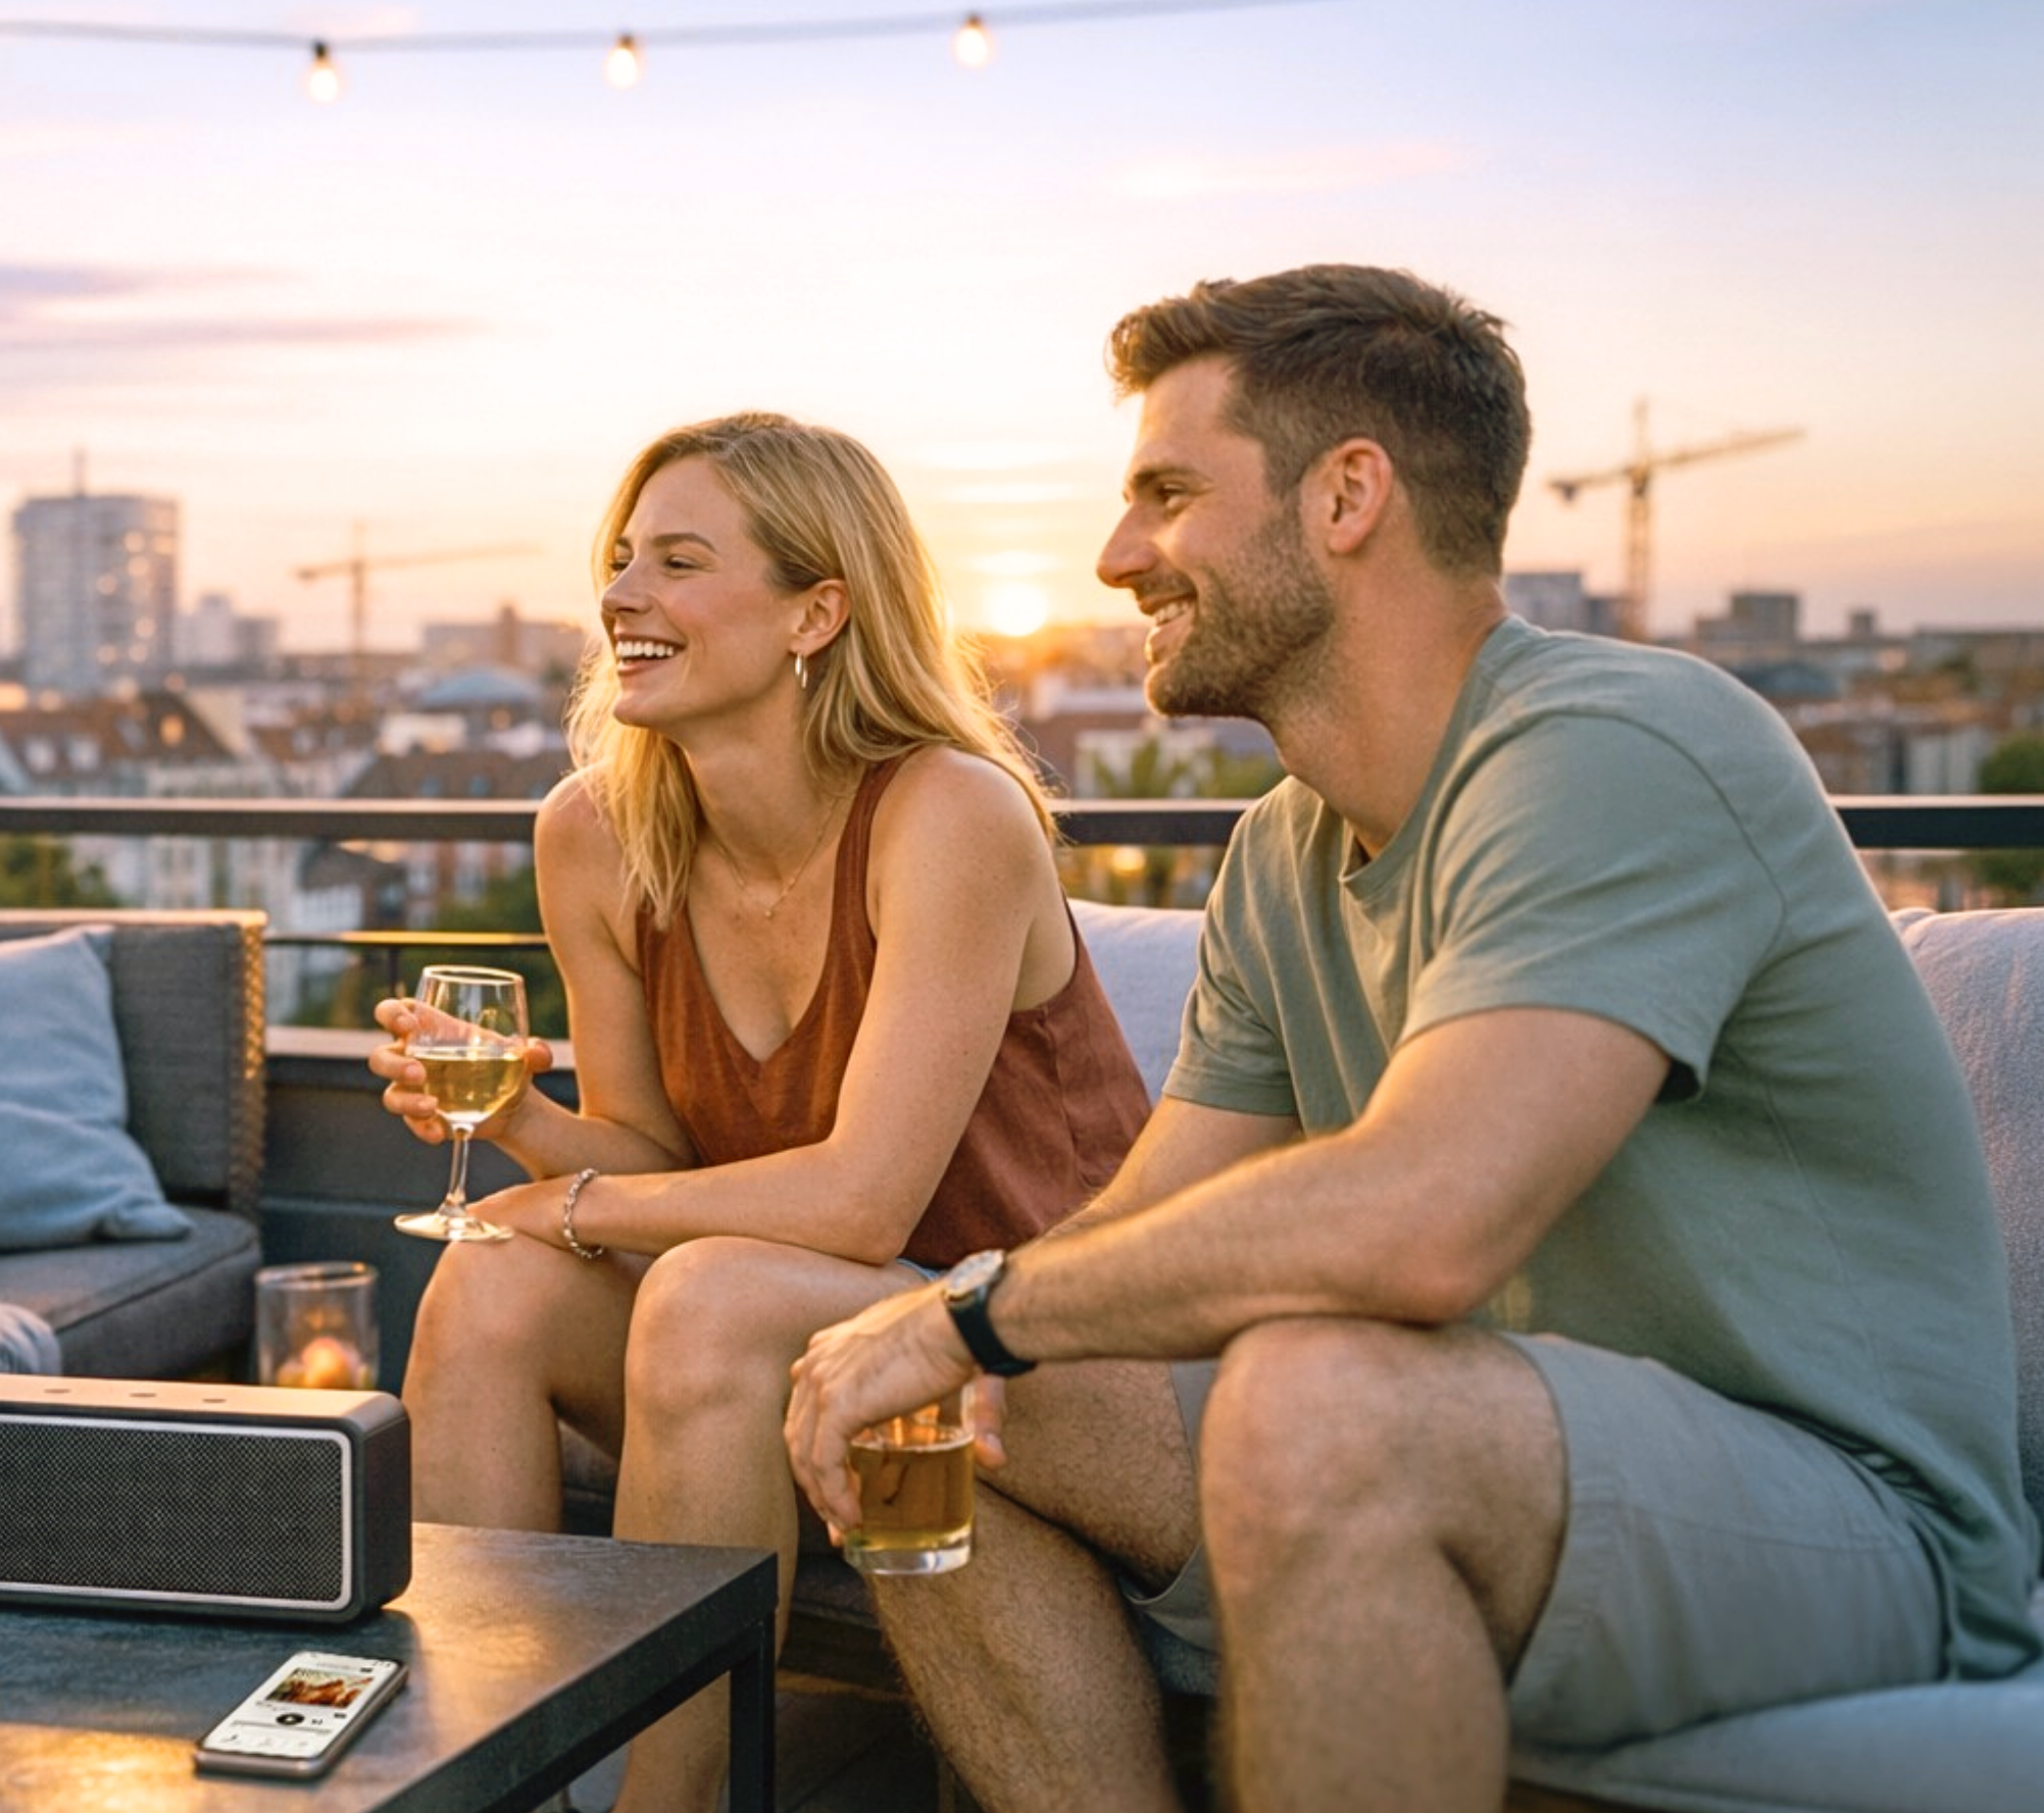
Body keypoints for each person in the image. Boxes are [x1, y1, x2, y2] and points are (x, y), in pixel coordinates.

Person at [779, 265, 2036, 1813]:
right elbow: (1144, 1219)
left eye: (1166, 493)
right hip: (1511, 1451)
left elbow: (1424, 1220)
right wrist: (945, 1326)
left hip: (1851, 1527)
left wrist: (963, 1315)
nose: (1115, 557)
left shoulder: (1613, 749)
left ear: (1346, 497)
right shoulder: (1278, 855)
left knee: (1312, 1398)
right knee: (958, 1410)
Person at [361, 412, 1148, 1813]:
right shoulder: (593, 834)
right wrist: (526, 1130)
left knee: (707, 1295)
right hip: (774, 1356)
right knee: (486, 1278)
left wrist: (584, 1204)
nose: (619, 599)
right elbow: (654, 1153)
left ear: (815, 611)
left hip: (1025, 1352)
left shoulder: (949, 812)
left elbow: (862, 1202)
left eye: (675, 562)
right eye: (617, 562)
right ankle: (466, 1786)